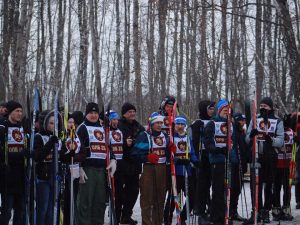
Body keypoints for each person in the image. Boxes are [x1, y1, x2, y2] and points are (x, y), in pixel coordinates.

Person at [244, 97, 284, 224]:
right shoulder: (255, 119)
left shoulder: (277, 121)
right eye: (261, 106)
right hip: (257, 156)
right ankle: (256, 210)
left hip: (271, 157)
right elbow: (247, 139)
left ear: (271, 107)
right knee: (256, 185)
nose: (263, 108)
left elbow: (281, 141)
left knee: (268, 185)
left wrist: (270, 140)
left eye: (265, 106)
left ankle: (266, 210)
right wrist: (251, 135)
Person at [76, 102, 117, 225]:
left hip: (102, 170)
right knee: (85, 202)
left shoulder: (103, 128)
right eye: (91, 113)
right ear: (86, 114)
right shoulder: (82, 128)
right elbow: (76, 149)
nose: (93, 115)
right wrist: (79, 167)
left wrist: (113, 159)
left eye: (95, 113)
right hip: (88, 169)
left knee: (99, 202)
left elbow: (108, 147)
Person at [130, 112, 170, 225]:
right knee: (147, 198)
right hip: (148, 169)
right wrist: (146, 157)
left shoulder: (165, 136)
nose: (159, 125)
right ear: (152, 124)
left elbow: (168, 155)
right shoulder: (145, 136)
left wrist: (170, 151)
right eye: (157, 122)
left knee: (160, 198)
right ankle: (147, 222)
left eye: (161, 123)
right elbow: (134, 154)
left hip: (162, 169)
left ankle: (158, 222)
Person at [203, 99, 237, 225]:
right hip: (217, 161)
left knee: (228, 189)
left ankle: (226, 215)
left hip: (229, 161)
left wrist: (233, 157)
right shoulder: (213, 124)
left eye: (228, 111)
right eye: (224, 110)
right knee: (217, 189)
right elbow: (208, 143)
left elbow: (234, 142)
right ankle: (216, 217)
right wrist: (219, 150)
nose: (226, 112)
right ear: (219, 111)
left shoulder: (231, 124)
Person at [34, 109, 66, 225]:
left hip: (55, 176)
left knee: (53, 208)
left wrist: (70, 153)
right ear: (45, 123)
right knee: (43, 208)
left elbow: (62, 156)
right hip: (43, 177)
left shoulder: (58, 138)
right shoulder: (39, 137)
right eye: (51, 123)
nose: (54, 126)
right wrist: (50, 143)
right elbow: (38, 156)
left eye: (56, 123)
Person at [117, 102, 145, 224]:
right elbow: (114, 142)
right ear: (124, 114)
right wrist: (125, 143)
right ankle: (117, 214)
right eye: (129, 112)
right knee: (120, 193)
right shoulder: (118, 125)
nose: (132, 113)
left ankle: (126, 215)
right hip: (121, 164)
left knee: (133, 191)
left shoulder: (139, 126)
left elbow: (144, 139)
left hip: (135, 164)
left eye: (133, 111)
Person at [167, 116, 198, 224]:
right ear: (174, 126)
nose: (180, 126)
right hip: (175, 172)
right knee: (175, 197)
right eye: (178, 124)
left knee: (192, 196)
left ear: (185, 126)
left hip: (187, 171)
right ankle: (168, 217)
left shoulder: (187, 138)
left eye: (182, 124)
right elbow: (169, 155)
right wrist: (176, 160)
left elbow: (192, 152)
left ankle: (183, 217)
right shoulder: (171, 138)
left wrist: (195, 161)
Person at [0, 101, 26, 225]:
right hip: (7, 175)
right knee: (7, 211)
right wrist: (16, 155)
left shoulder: (23, 128)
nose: (19, 114)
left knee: (20, 210)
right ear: (10, 112)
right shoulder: (3, 127)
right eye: (17, 111)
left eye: (21, 111)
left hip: (21, 174)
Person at [189, 100, 215, 225]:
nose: (212, 111)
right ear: (204, 109)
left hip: (212, 154)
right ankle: (200, 211)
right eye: (210, 108)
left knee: (211, 184)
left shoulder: (214, 121)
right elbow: (193, 142)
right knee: (201, 185)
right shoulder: (197, 122)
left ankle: (212, 208)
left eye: (213, 109)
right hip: (201, 156)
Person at [272, 114, 293, 221]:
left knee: (287, 188)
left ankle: (286, 208)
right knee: (276, 187)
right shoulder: (277, 130)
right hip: (277, 163)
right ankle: (276, 208)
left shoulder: (291, 131)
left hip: (287, 164)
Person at [108, 111, 125, 223]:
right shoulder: (106, 131)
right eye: (113, 119)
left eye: (116, 119)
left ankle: (117, 217)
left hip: (120, 164)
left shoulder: (120, 131)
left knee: (119, 193)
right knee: (110, 192)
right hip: (110, 165)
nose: (115, 122)